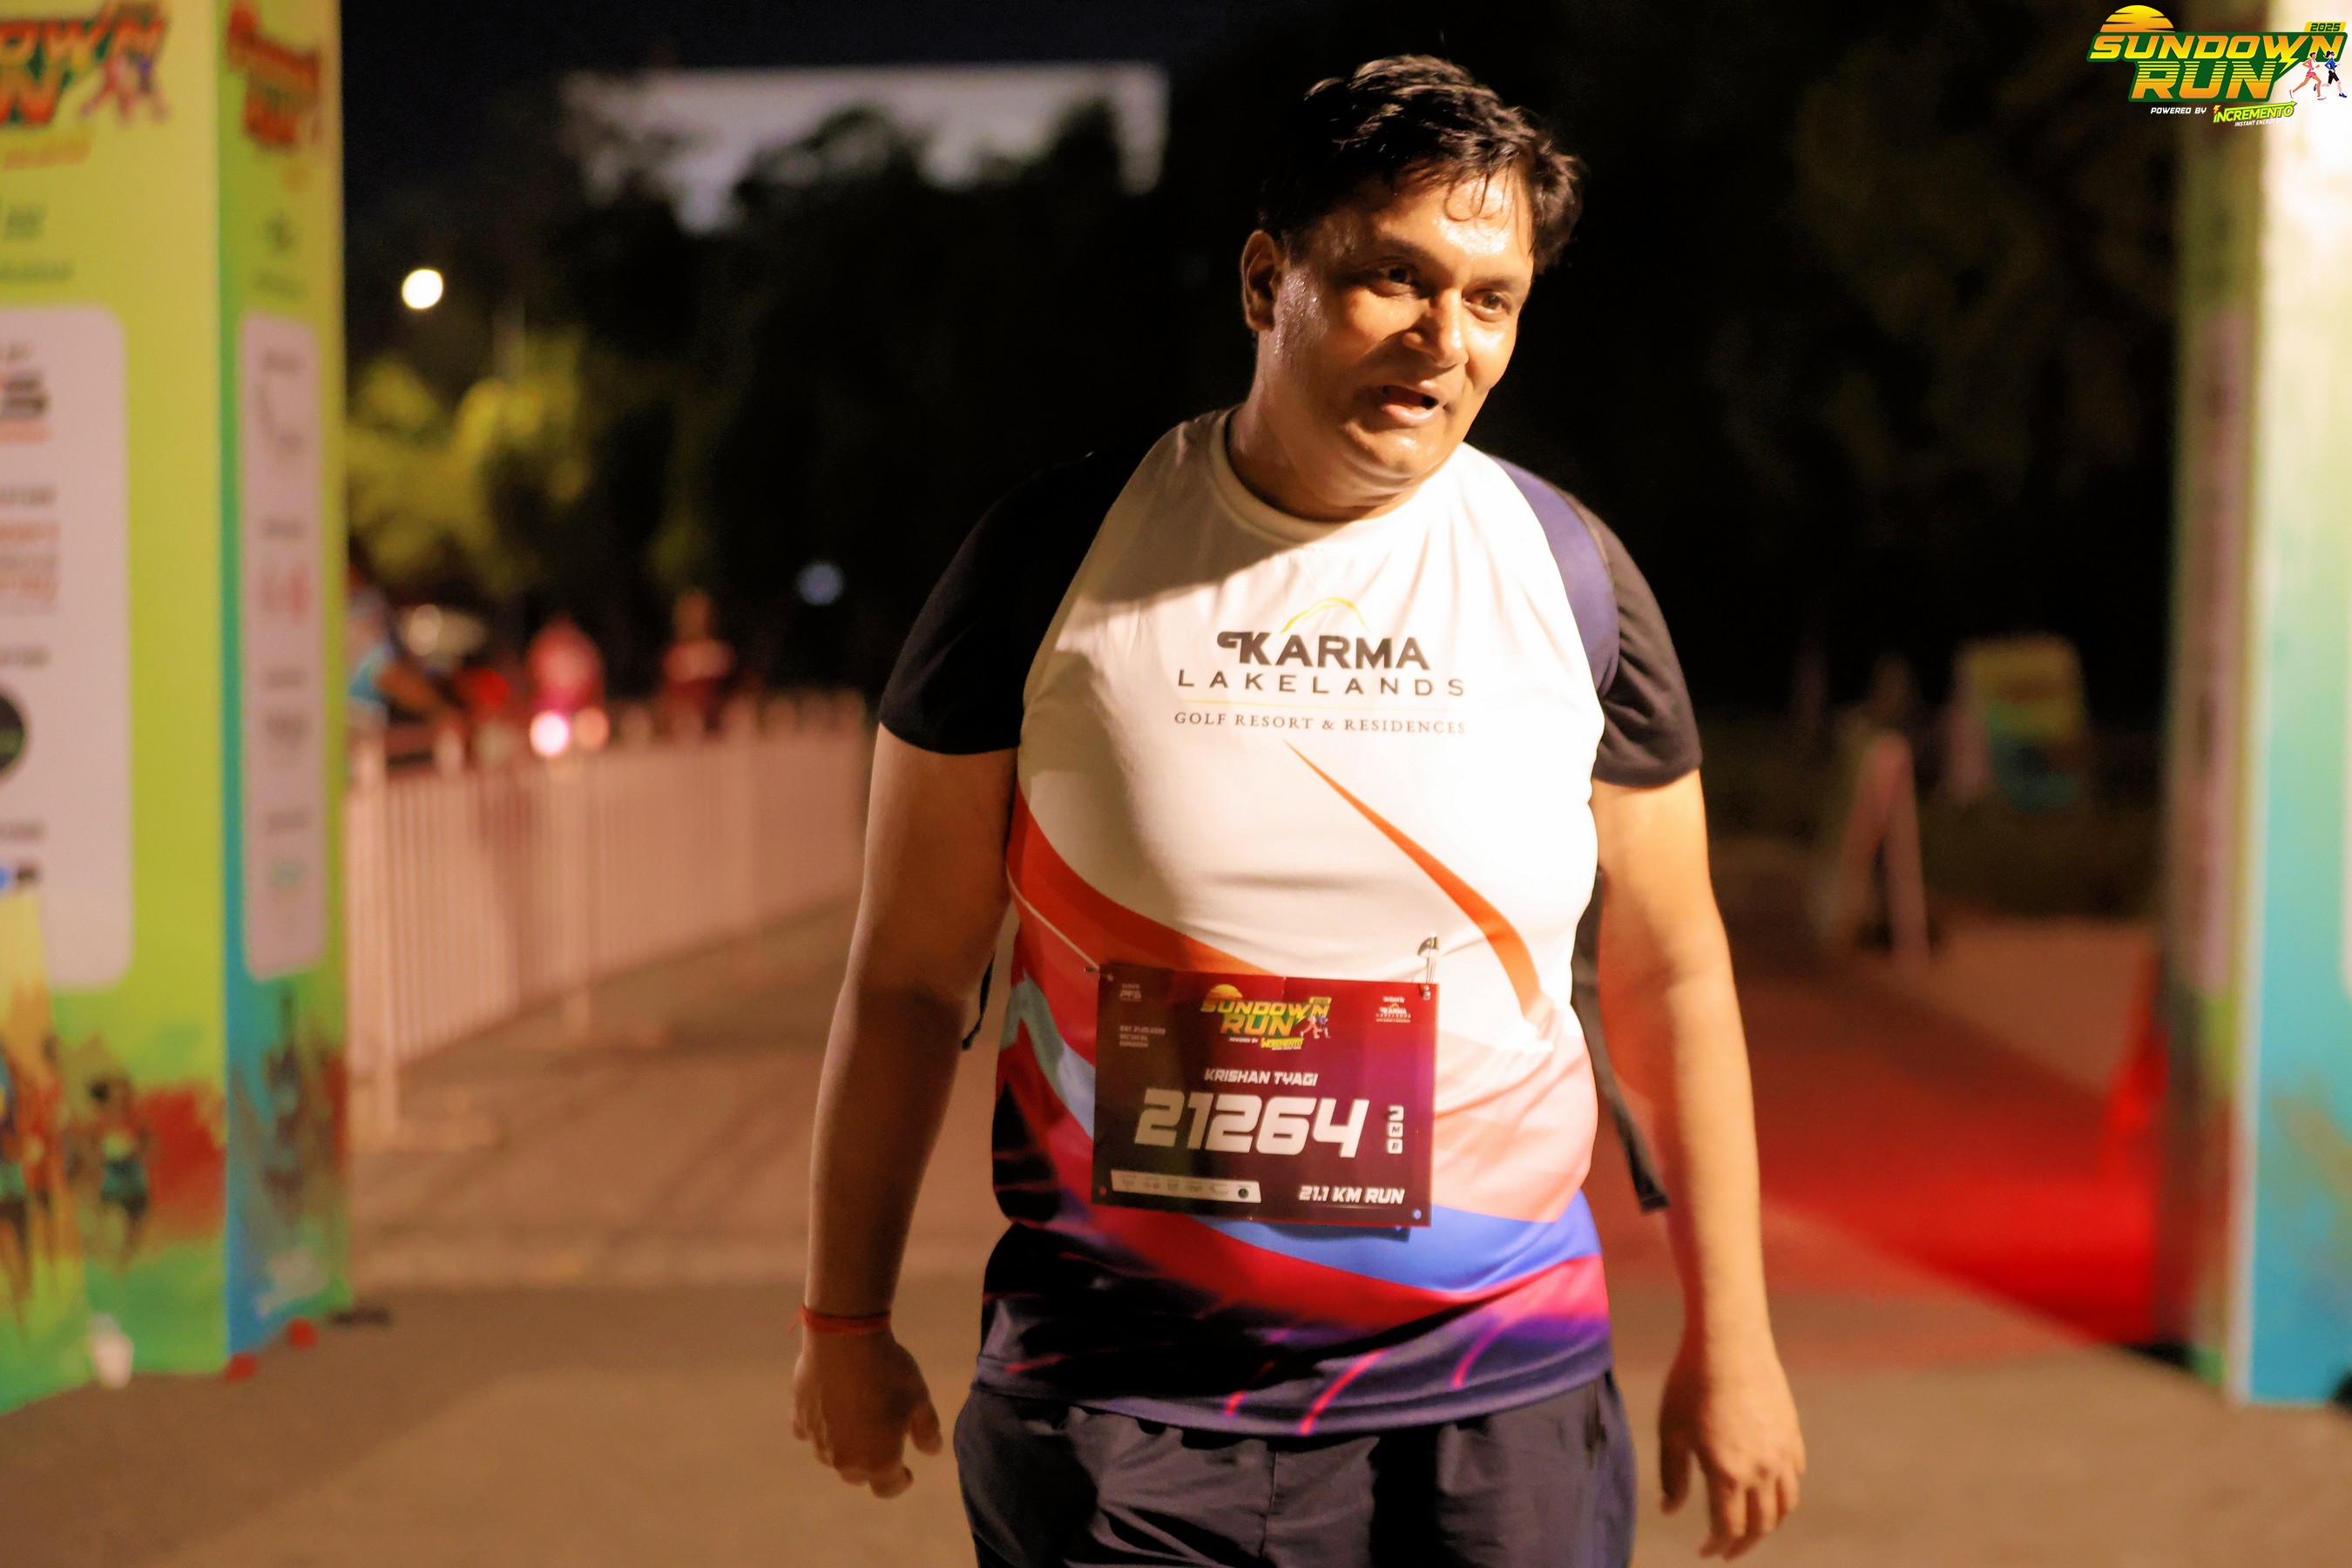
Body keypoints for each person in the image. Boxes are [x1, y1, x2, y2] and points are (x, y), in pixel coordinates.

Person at [794, 57, 1805, 1567]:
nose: (1444, 340)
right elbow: (906, 975)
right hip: (1119, 1402)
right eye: (1395, 279)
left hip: (1495, 1402)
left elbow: (1672, 972)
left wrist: (1738, 1339)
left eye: (1491, 298)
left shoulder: (1572, 577)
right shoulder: (1049, 560)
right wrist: (843, 1317)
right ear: (1268, 280)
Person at [659, 590, 737, 734]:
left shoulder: (720, 653)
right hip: (683, 730)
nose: (696, 621)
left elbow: (731, 696)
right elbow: (668, 700)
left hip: (718, 731)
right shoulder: (676, 655)